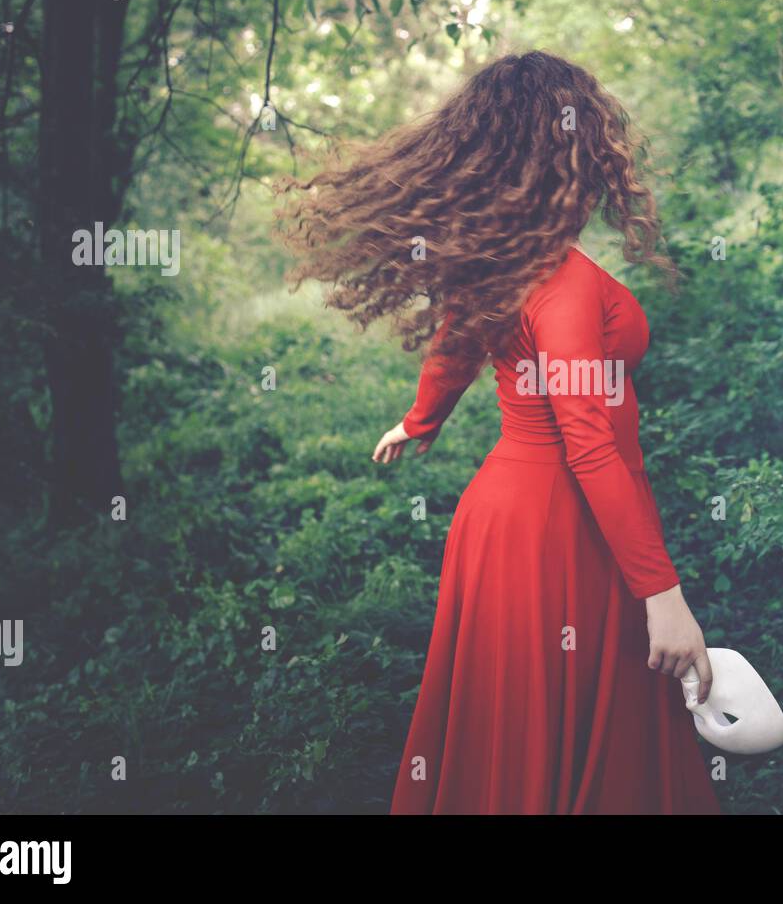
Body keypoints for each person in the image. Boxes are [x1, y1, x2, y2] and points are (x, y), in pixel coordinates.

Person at [278, 50, 720, 814]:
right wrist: (664, 595)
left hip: (508, 523)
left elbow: (454, 347)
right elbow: (588, 444)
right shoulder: (566, 286)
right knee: (568, 723)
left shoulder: (503, 267)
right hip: (559, 526)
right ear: (568, 152)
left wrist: (421, 420)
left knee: (521, 729)